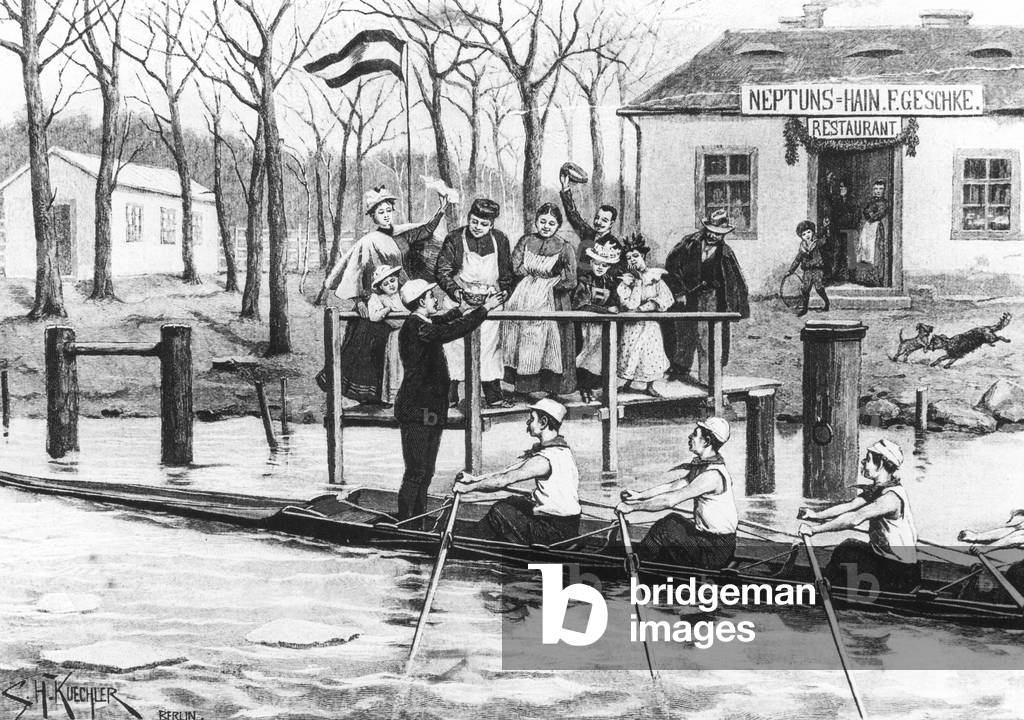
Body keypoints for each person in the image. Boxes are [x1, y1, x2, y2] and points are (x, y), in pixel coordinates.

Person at [394, 278, 505, 524]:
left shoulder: (423, 321)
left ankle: (418, 520)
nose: (436, 300)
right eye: (432, 297)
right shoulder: (417, 327)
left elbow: (443, 321)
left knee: (427, 471)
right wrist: (484, 311)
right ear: (422, 301)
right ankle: (406, 523)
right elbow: (448, 331)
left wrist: (464, 309)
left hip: (431, 409)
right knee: (416, 471)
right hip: (416, 409)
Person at [798, 439, 920, 593]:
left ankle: (828, 590)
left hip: (899, 572)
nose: (863, 462)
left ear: (881, 463)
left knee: (845, 553)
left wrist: (815, 530)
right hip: (889, 562)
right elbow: (849, 506)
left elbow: (854, 518)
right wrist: (815, 516)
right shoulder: (879, 489)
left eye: (867, 459)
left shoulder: (890, 499)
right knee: (848, 546)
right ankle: (831, 586)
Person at [616, 417, 738, 570]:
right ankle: (648, 561)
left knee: (664, 529)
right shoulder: (703, 466)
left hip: (715, 550)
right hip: (711, 541)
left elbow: (670, 501)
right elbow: (673, 486)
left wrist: (632, 508)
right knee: (673, 519)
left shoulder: (711, 476)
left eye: (694, 434)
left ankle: (638, 566)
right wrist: (640, 495)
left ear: (706, 441)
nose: (690, 437)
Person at [455, 398, 581, 546]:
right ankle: (476, 536)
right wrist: (474, 479)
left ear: (543, 422)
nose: (528, 423)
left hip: (554, 532)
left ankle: (466, 542)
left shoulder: (544, 460)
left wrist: (468, 488)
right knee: (512, 501)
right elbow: (508, 471)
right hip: (566, 525)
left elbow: (504, 480)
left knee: (499, 511)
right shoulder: (560, 450)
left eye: (531, 419)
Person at [435, 198, 515, 408]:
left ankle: (493, 396)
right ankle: (448, 396)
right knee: (453, 348)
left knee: (489, 349)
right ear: (469, 218)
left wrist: (504, 292)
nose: (478, 227)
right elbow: (442, 272)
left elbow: (507, 274)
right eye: (474, 221)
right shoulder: (454, 238)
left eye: (484, 224)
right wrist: (456, 293)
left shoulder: (500, 240)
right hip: (459, 300)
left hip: (489, 300)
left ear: (492, 225)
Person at [663, 208, 750, 386]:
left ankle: (708, 380)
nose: (714, 236)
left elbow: (736, 281)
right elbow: (672, 266)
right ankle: (680, 369)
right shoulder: (689, 243)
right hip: (687, 295)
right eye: (711, 232)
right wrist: (679, 291)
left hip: (712, 298)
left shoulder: (726, 252)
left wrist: (734, 305)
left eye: (719, 234)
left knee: (708, 337)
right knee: (683, 331)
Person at [321, 186, 447, 304]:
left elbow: (426, 230)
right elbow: (356, 272)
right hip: (380, 295)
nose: (386, 215)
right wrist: (359, 302)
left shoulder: (403, 233)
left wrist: (440, 211)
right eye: (381, 212)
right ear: (373, 216)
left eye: (388, 211)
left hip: (406, 290)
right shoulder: (369, 241)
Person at [502, 203, 577, 399]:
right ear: (536, 222)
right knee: (514, 334)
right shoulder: (526, 241)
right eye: (542, 221)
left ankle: (540, 385)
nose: (546, 226)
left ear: (558, 225)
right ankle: (516, 384)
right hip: (522, 294)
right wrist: (529, 275)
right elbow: (515, 266)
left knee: (539, 338)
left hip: (547, 296)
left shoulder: (565, 247)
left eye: (551, 223)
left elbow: (571, 280)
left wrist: (550, 284)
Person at [333, 264, 404, 405]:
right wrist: (359, 301)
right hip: (369, 315)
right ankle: (368, 398)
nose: (390, 284)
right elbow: (348, 281)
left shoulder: (399, 292)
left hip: (391, 326)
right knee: (366, 353)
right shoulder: (364, 252)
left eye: (392, 280)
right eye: (386, 283)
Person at [616, 233, 673, 398]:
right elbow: (627, 303)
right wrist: (632, 286)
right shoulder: (626, 281)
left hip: (650, 324)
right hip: (632, 324)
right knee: (629, 352)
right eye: (628, 257)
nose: (632, 260)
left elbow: (667, 298)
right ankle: (627, 382)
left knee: (649, 354)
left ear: (643, 256)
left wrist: (651, 305)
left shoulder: (655, 278)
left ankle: (650, 385)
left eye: (635, 256)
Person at [571, 240, 621, 403]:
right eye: (597, 264)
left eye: (604, 265)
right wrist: (606, 311)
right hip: (585, 326)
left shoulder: (610, 282)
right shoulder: (584, 281)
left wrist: (614, 307)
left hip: (602, 326)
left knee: (600, 358)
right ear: (591, 262)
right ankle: (583, 388)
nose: (600, 268)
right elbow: (582, 305)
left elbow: (615, 302)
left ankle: (595, 388)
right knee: (584, 355)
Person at [558, 169, 622, 276]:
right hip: (580, 283)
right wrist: (565, 188)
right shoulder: (587, 232)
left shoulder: (614, 244)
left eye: (604, 220)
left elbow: (617, 270)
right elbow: (573, 215)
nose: (598, 222)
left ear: (611, 224)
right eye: (597, 218)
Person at [784, 220, 830, 317]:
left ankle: (826, 302)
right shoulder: (802, 248)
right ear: (801, 236)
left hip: (817, 269)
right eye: (804, 234)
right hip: (807, 270)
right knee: (805, 289)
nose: (807, 235)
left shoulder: (817, 243)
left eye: (809, 232)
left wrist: (825, 228)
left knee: (819, 287)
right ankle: (804, 309)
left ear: (813, 232)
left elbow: (825, 240)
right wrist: (790, 271)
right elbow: (797, 260)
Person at [854, 179, 890, 287]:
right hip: (868, 227)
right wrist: (870, 213)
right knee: (864, 250)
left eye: (880, 189)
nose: (878, 191)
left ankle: (877, 279)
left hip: (876, 228)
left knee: (876, 253)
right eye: (876, 189)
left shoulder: (884, 203)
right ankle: (866, 278)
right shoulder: (870, 201)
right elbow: (865, 212)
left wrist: (871, 214)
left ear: (884, 190)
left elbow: (879, 214)